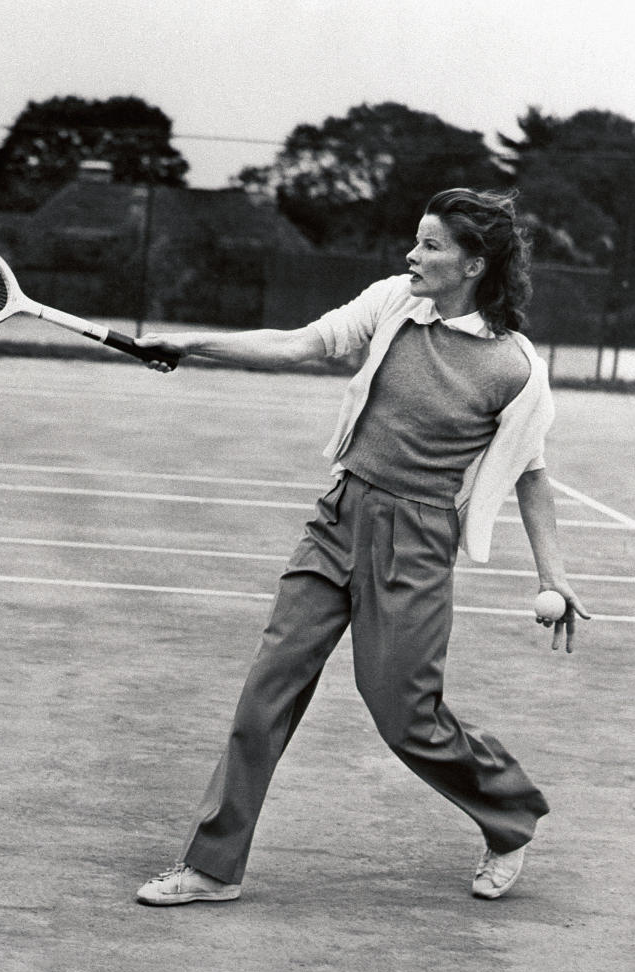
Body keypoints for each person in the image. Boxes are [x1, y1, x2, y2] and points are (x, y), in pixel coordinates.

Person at [132, 187, 589, 906]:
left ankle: (509, 813)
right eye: (416, 239)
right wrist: (190, 344)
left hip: (416, 541)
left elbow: (532, 475)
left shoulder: (514, 367)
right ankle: (213, 866)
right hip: (338, 515)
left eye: (431, 245)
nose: (413, 254)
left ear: (473, 263)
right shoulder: (392, 303)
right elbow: (298, 343)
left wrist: (555, 575)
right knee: (266, 689)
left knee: (405, 717)